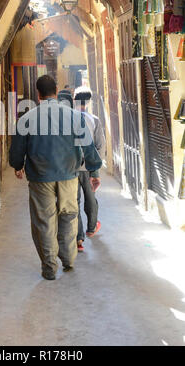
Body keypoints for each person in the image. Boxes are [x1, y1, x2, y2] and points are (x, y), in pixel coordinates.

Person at [9, 75, 102, 280]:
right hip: (69, 175)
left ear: (38, 93)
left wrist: (18, 166)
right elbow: (88, 146)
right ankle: (68, 259)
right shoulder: (74, 117)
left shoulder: (26, 118)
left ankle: (49, 267)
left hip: (40, 178)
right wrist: (94, 171)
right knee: (68, 216)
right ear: (56, 90)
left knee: (44, 221)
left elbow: (17, 150)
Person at [74, 87, 106, 252]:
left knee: (74, 202)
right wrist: (96, 171)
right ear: (87, 103)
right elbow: (100, 147)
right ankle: (92, 228)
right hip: (88, 167)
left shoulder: (67, 120)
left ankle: (79, 240)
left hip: (71, 169)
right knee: (90, 197)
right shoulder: (94, 120)